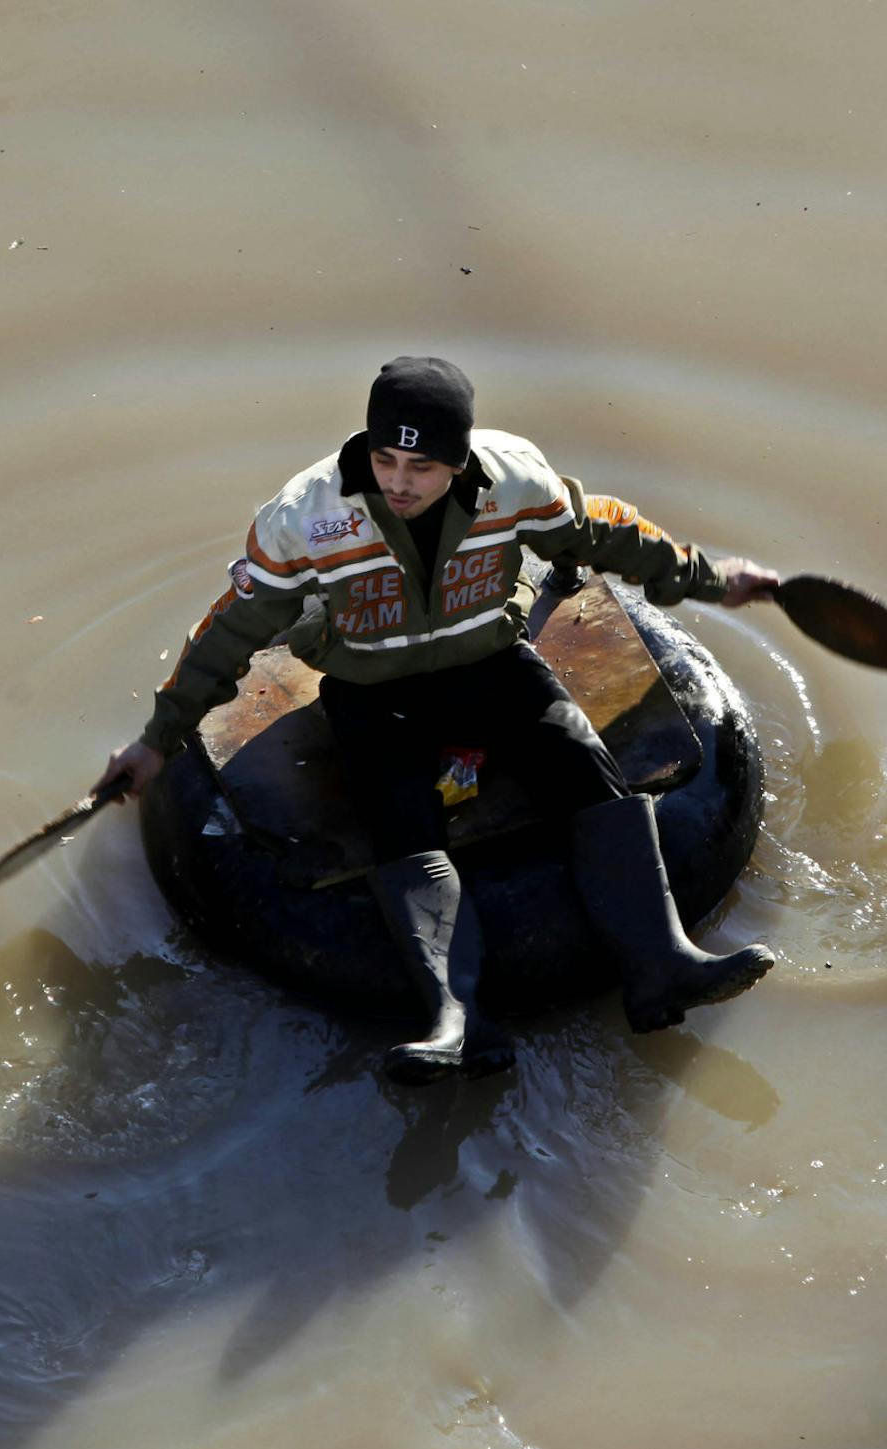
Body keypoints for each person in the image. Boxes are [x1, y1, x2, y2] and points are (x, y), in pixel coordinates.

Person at [95, 357, 781, 1084]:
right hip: (371, 686)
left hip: (488, 661)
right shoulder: (308, 516)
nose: (398, 480)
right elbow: (231, 632)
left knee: (583, 765)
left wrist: (708, 577)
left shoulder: (516, 484)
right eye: (385, 458)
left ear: (459, 462)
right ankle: (459, 1020)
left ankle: (662, 965)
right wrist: (156, 741)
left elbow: (602, 538)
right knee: (400, 819)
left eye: (421, 466)